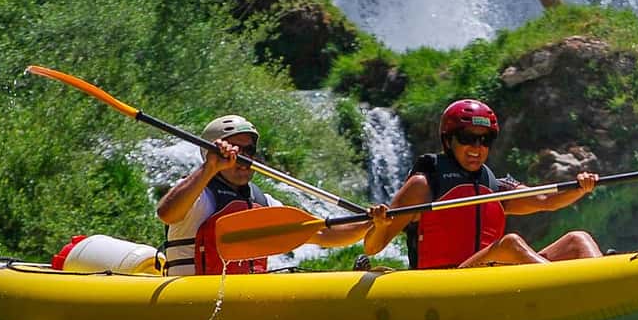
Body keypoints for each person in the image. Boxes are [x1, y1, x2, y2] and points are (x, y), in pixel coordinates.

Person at [362, 99, 603, 268]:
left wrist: (581, 187)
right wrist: (381, 225)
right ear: (448, 141)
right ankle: (566, 286)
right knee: (510, 244)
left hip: (492, 275)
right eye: (468, 138)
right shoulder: (423, 185)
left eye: (484, 140)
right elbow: (373, 247)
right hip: (446, 283)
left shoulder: (496, 187)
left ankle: (603, 283)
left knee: (577, 239)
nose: (477, 148)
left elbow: (546, 200)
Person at [157, 114, 368, 275]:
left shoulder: (262, 202)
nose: (244, 158)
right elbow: (167, 214)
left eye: (249, 151)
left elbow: (322, 233)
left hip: (244, 296)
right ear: (211, 154)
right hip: (191, 296)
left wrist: (370, 222)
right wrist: (209, 168)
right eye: (235, 150)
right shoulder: (197, 195)